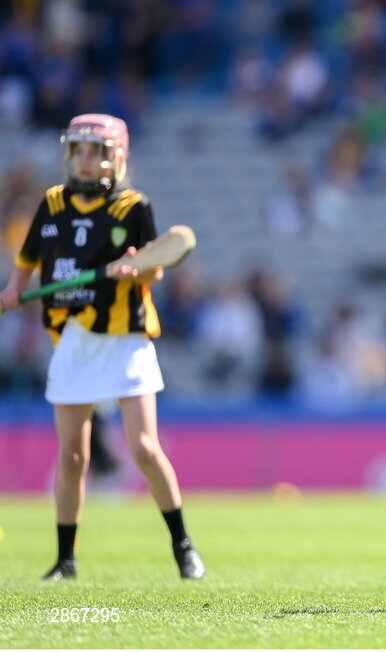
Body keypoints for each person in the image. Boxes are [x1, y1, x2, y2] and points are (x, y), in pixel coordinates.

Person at [0, 114, 205, 581]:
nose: (87, 161)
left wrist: (138, 270)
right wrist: (13, 290)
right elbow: (29, 258)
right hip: (73, 342)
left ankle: (183, 546)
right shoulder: (52, 203)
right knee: (73, 456)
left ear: (117, 158)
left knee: (145, 449)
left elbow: (156, 267)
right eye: (79, 151)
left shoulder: (133, 207)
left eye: (97, 152)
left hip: (124, 342)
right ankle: (65, 561)